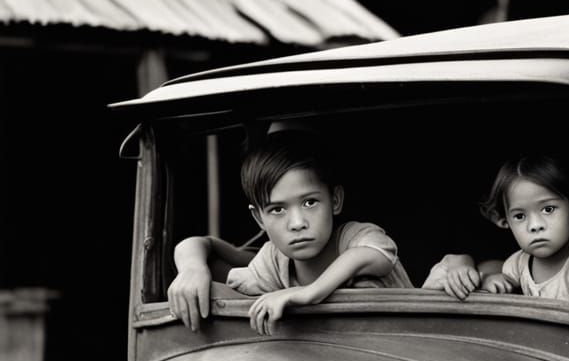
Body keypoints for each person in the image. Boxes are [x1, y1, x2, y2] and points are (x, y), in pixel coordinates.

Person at [168, 130, 411, 334]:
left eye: (310, 203)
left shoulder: (355, 238)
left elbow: (374, 256)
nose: (297, 223)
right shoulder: (274, 261)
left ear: (335, 200)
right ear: (258, 217)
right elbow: (202, 247)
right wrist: (192, 269)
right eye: (277, 209)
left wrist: (307, 294)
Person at [422, 154, 569, 304]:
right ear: (504, 221)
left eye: (548, 209)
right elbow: (487, 274)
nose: (535, 226)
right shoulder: (517, 264)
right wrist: (490, 283)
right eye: (519, 216)